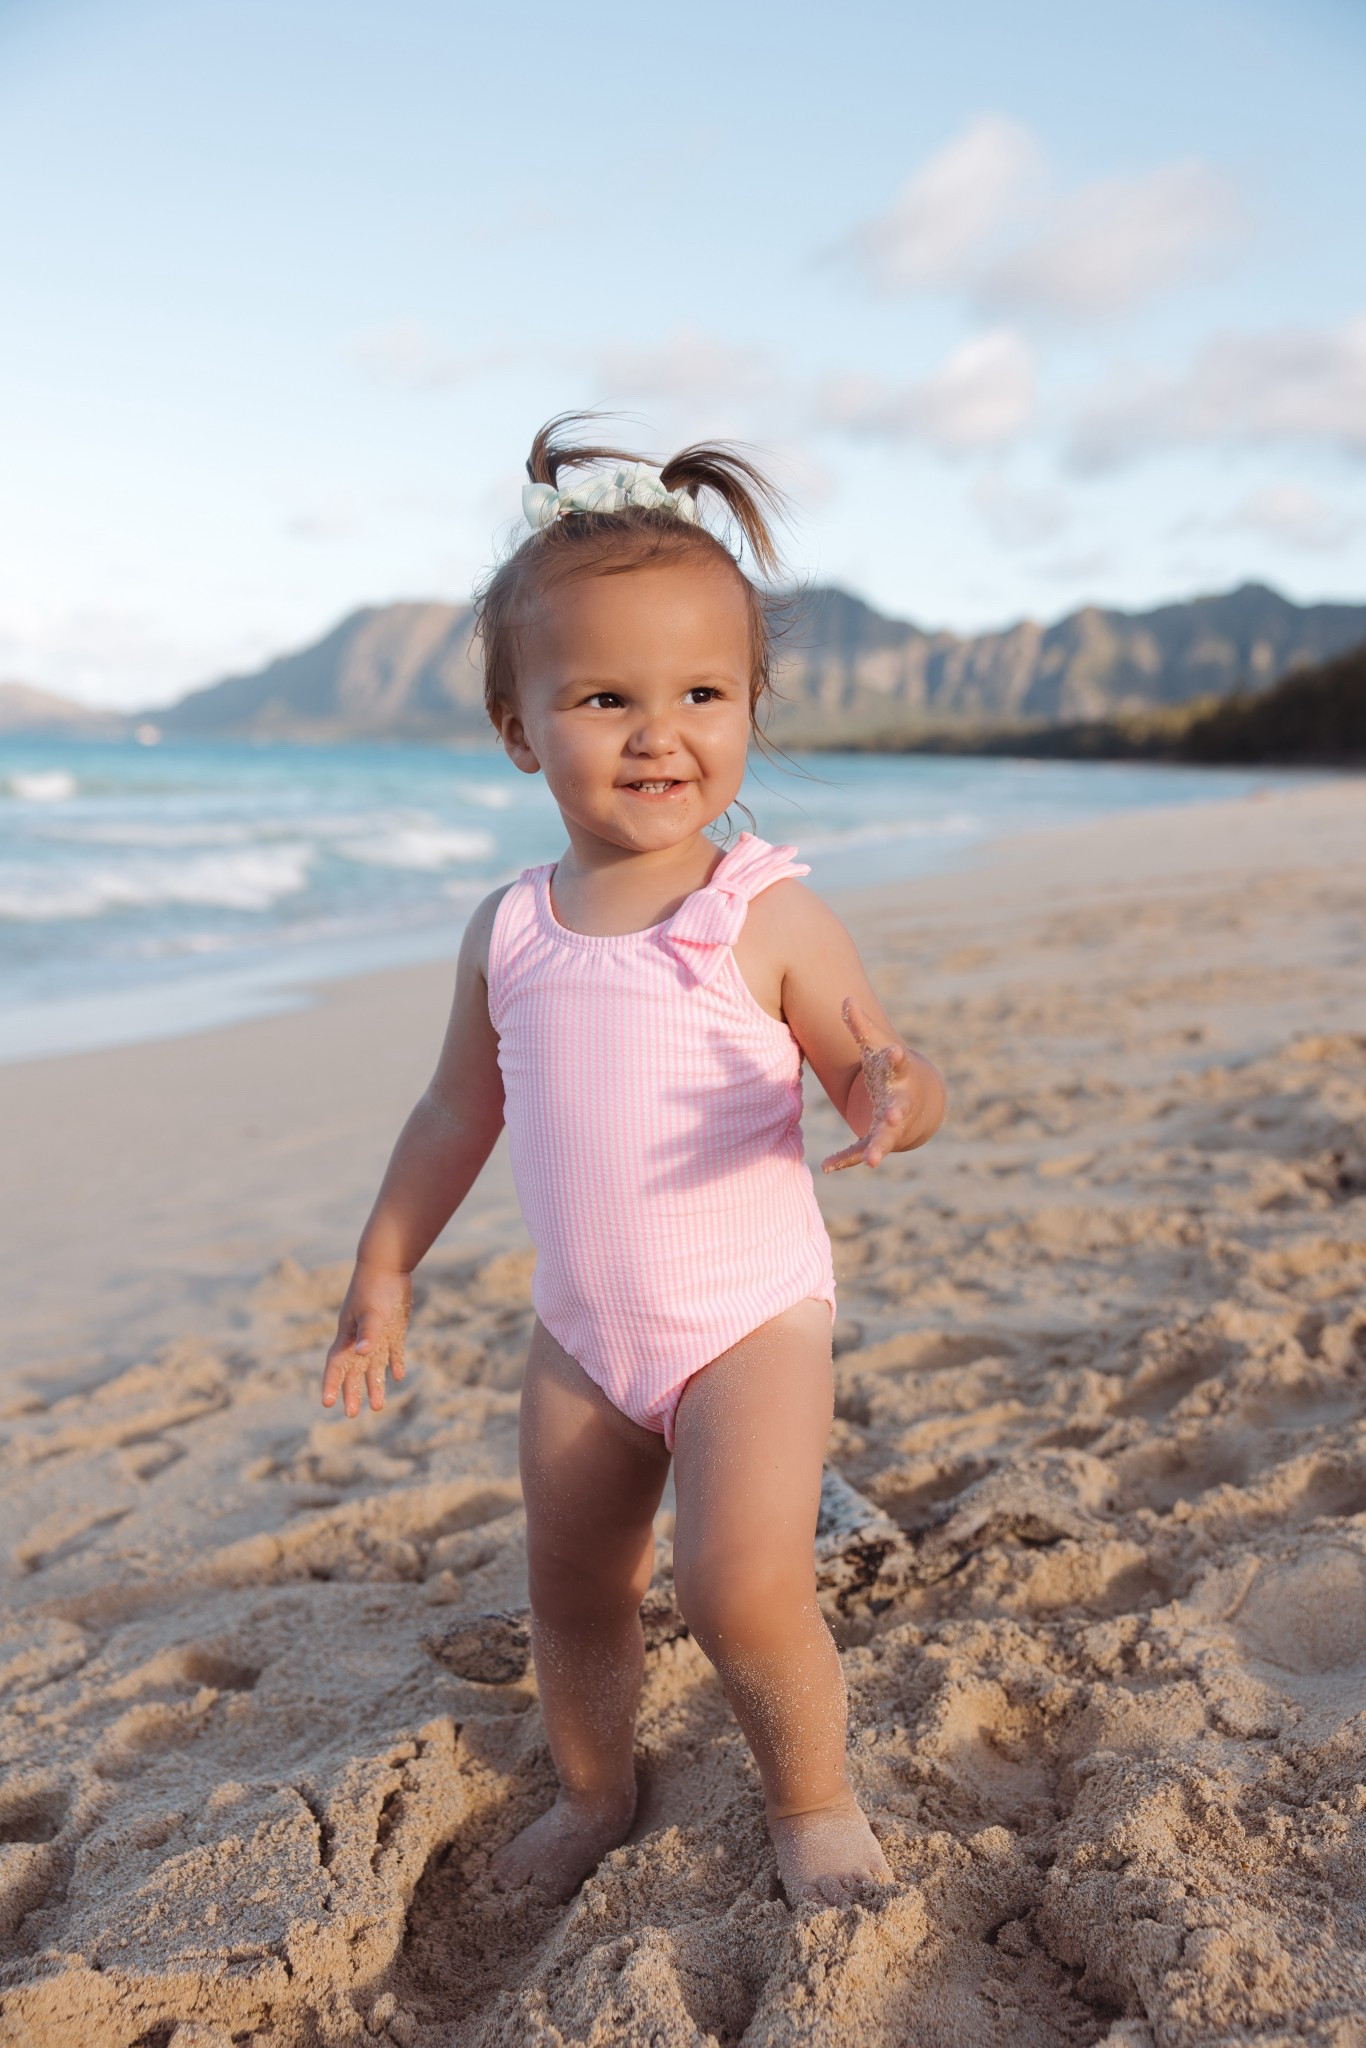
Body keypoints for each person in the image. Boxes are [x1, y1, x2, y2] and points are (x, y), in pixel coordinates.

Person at [321, 416, 946, 1907]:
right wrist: (381, 1273)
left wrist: (892, 1099)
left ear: (748, 707)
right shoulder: (513, 930)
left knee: (737, 1588)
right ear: (520, 727)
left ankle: (811, 1807)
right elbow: (452, 1115)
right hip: (584, 1333)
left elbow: (872, 1063)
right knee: (572, 1587)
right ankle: (597, 1790)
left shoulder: (760, 913)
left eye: (700, 693)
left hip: (749, 1321)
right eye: (605, 697)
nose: (659, 731)